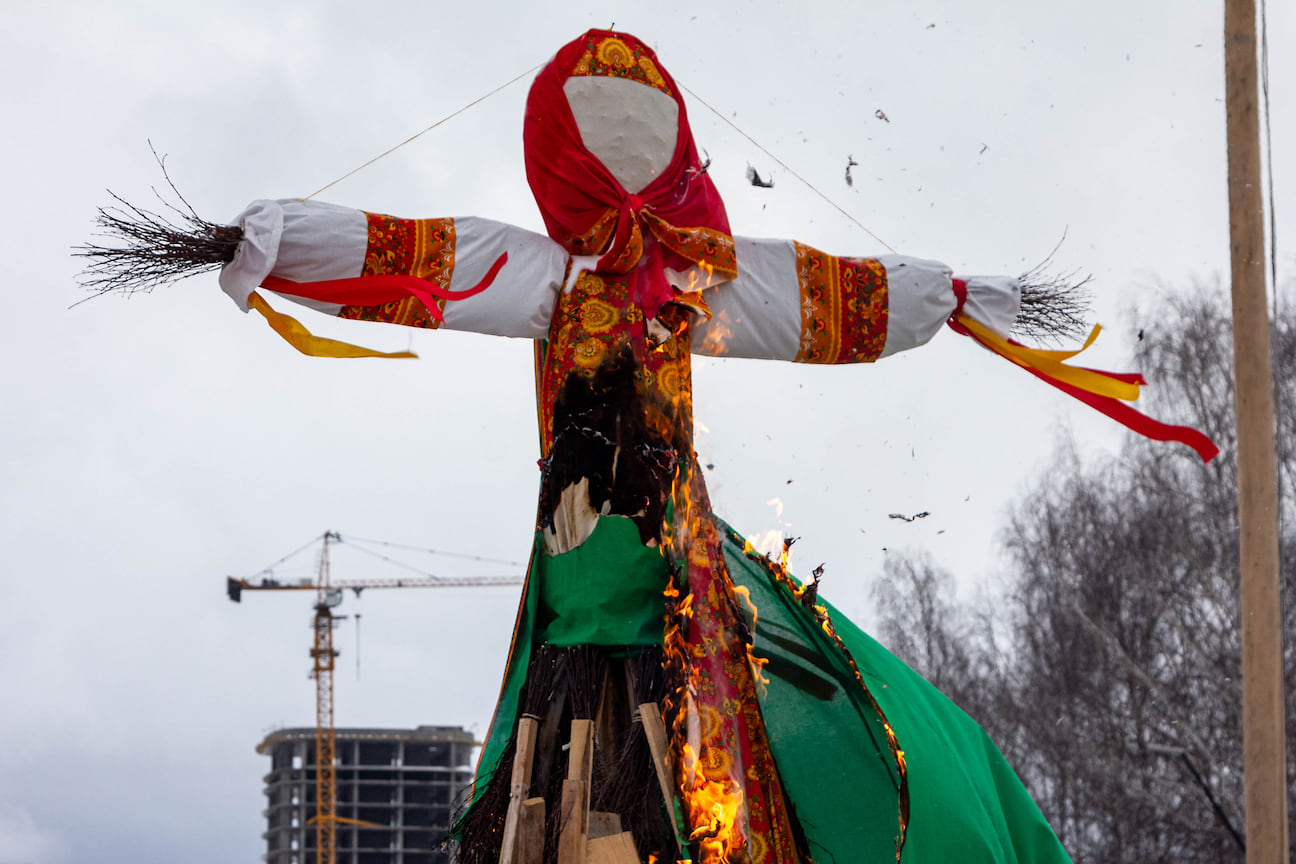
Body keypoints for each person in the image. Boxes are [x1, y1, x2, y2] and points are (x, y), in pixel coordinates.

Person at [218, 28, 1070, 864]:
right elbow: (417, 260)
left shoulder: (694, 276)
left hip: (671, 569)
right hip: (581, 564)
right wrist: (283, 244)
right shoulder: (549, 275)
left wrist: (945, 299)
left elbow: (823, 296)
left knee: (699, 759)